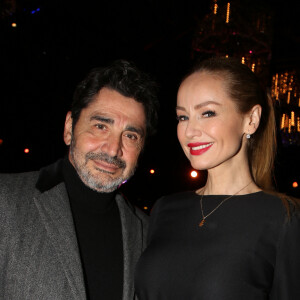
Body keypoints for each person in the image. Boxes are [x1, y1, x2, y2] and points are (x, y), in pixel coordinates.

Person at [135, 57, 300, 299]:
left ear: (251, 120)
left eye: (208, 113)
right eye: (183, 117)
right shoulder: (165, 209)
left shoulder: (284, 217)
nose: (190, 131)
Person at [0, 59, 159, 300]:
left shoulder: (147, 233)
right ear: (68, 128)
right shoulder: (6, 201)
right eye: (100, 126)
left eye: (130, 135)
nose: (113, 149)